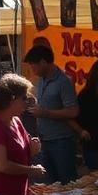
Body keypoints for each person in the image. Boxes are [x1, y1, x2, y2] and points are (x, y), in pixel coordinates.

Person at [22, 45, 79, 183]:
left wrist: (46, 113)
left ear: (43, 62)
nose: (33, 70)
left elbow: (73, 111)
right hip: (44, 139)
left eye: (34, 66)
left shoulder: (63, 81)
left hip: (61, 141)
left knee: (66, 183)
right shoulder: (41, 80)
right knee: (48, 184)